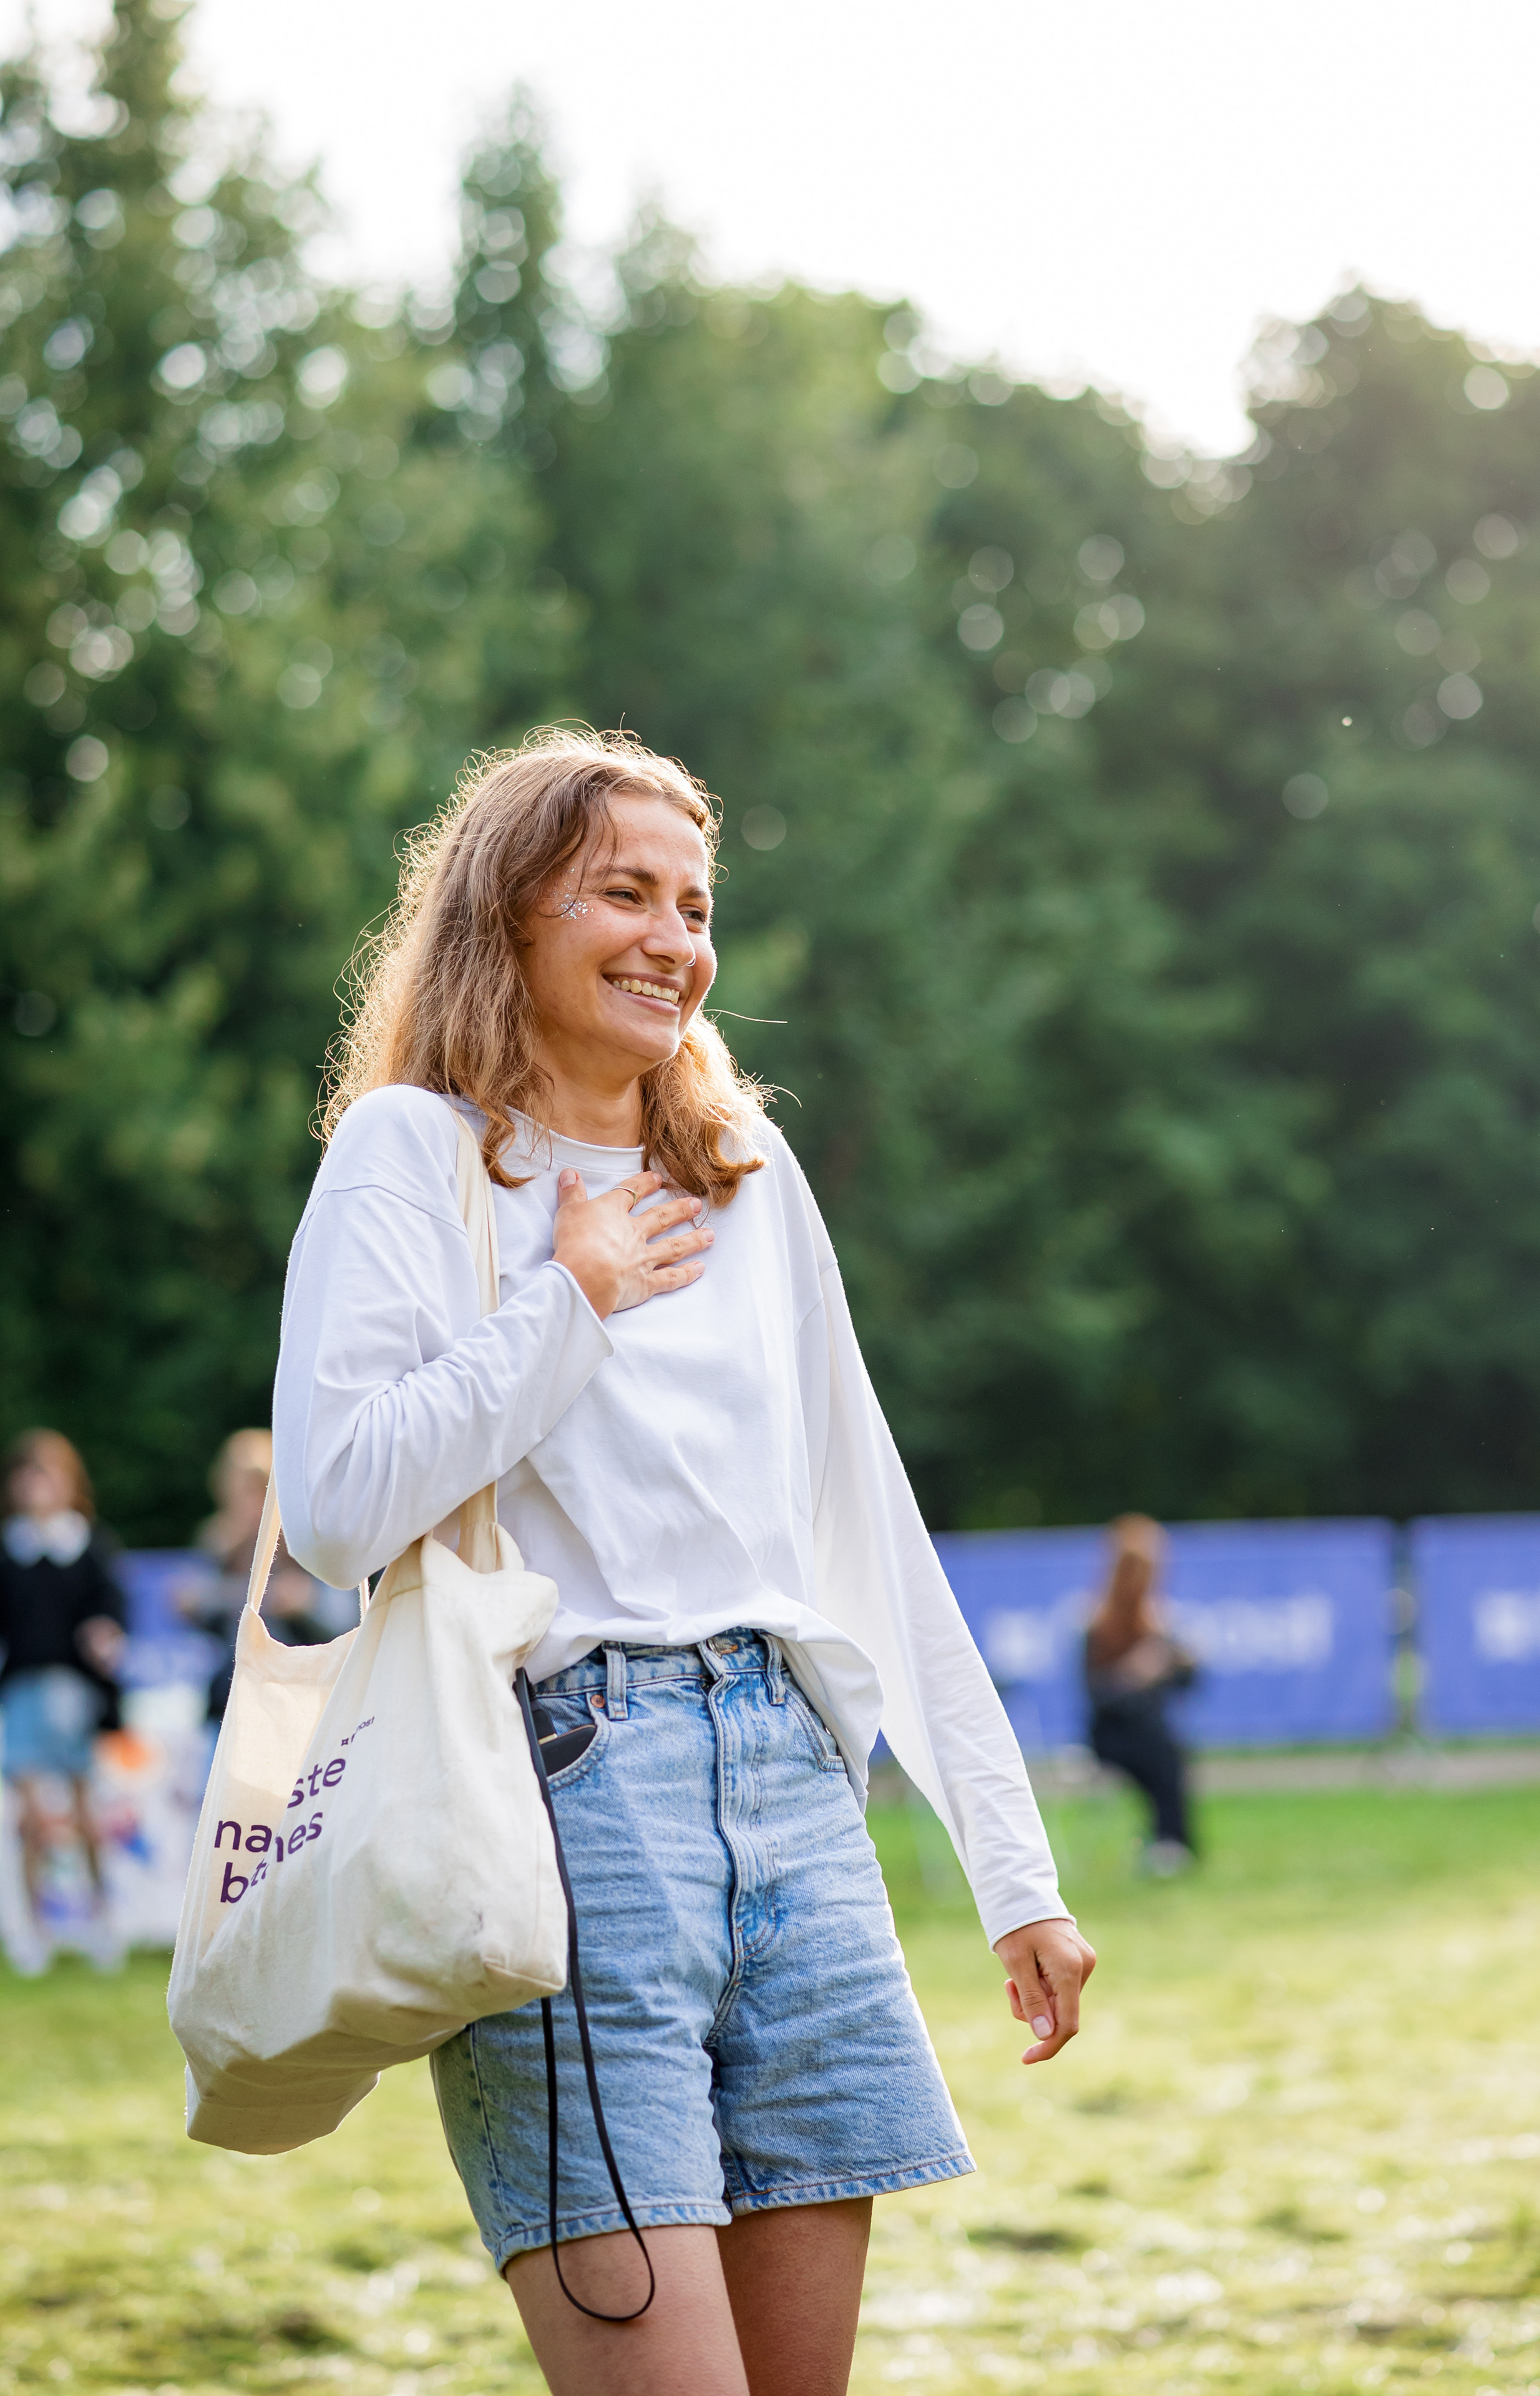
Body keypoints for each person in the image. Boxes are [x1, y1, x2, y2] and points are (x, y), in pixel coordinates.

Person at [273, 728, 1096, 2396]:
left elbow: (864, 1521)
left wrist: (1014, 1869)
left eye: (695, 904)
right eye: (623, 894)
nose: (673, 938)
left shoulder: (741, 1169)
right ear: (509, 911)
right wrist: (565, 1300)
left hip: (797, 1799)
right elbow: (340, 1504)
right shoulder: (413, 1154)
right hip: (571, 1812)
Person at [0, 1428, 127, 1974]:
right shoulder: (10, 1549)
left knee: (84, 1811)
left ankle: (102, 1923)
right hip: (23, 1693)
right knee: (31, 1817)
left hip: (76, 1695)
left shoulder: (89, 1545)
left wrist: (106, 1635)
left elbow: (112, 1609)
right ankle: (36, 1931)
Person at [180, 1429, 331, 1736]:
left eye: (256, 1490)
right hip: (234, 1696)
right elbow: (194, 1605)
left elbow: (344, 1616)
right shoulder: (220, 1545)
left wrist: (307, 1602)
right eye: (239, 1492)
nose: (249, 1503)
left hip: (304, 1690)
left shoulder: (305, 1538)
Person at [1082, 1513, 1198, 1874]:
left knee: (1167, 1748)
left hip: (1152, 1732)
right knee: (1161, 1753)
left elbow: (1189, 1685)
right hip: (1113, 1735)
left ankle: (1171, 1842)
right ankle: (1169, 1841)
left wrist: (1179, 1663)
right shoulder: (1097, 1626)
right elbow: (1096, 1696)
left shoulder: (1161, 1623)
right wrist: (1134, 1675)